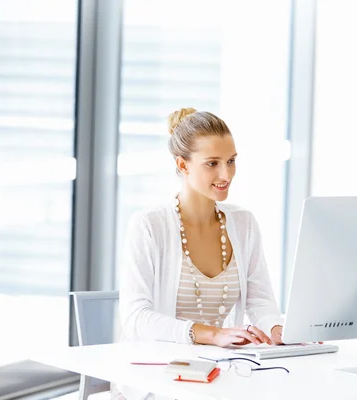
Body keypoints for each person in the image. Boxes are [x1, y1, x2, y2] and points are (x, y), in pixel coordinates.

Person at [114, 108, 284, 400]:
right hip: (156, 379)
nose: (225, 174)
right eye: (212, 163)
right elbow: (136, 317)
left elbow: (261, 300)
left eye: (231, 161)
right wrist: (213, 334)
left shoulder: (243, 223)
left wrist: (278, 329)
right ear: (182, 164)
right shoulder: (149, 225)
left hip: (218, 375)